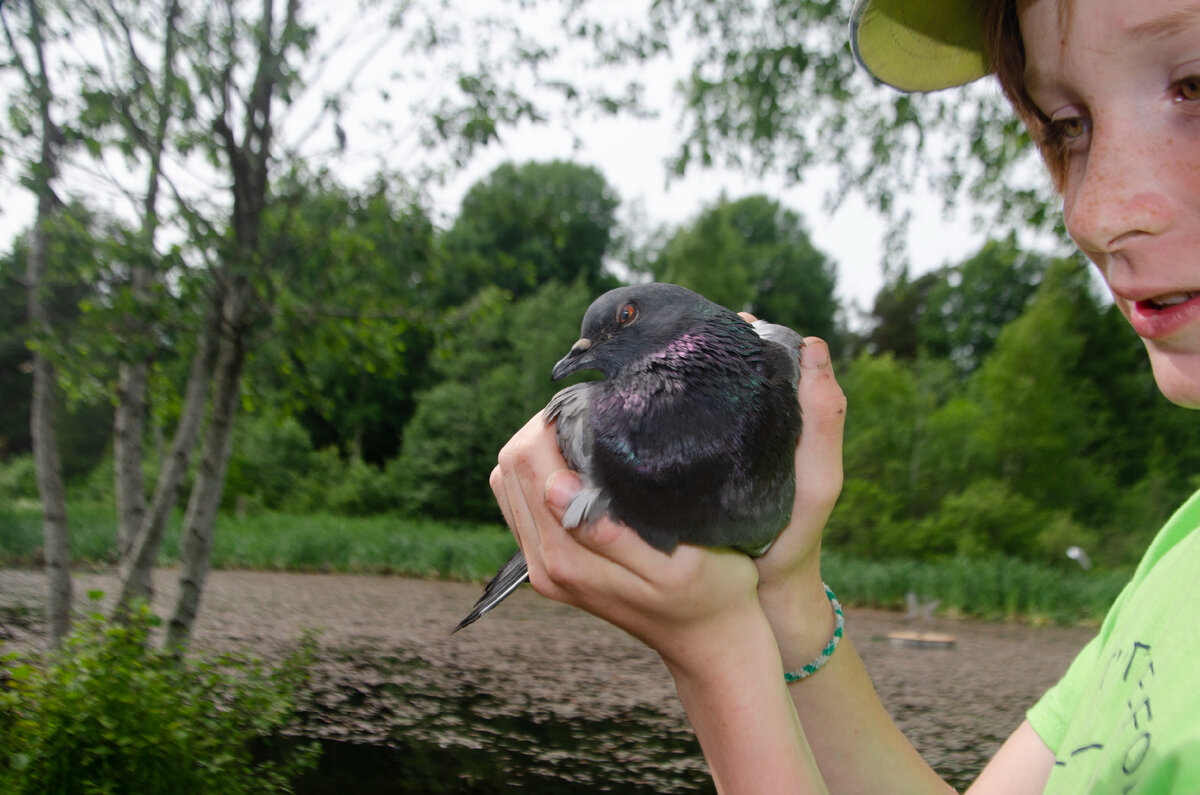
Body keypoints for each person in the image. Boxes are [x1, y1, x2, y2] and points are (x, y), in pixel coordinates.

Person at [489, 0, 1200, 790]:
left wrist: (717, 651)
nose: (1096, 215)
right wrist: (784, 589)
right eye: (1067, 124)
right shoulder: (1179, 559)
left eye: (1196, 86)